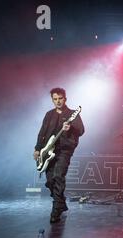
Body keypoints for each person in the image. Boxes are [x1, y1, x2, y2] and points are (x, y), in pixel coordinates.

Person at [33, 88, 84, 223]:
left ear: (65, 99)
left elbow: (82, 130)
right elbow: (42, 132)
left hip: (64, 150)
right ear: (52, 100)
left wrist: (71, 128)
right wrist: (38, 149)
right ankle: (61, 203)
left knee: (58, 176)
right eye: (55, 99)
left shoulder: (73, 114)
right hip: (48, 150)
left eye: (60, 98)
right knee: (50, 181)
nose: (58, 101)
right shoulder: (49, 115)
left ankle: (56, 210)